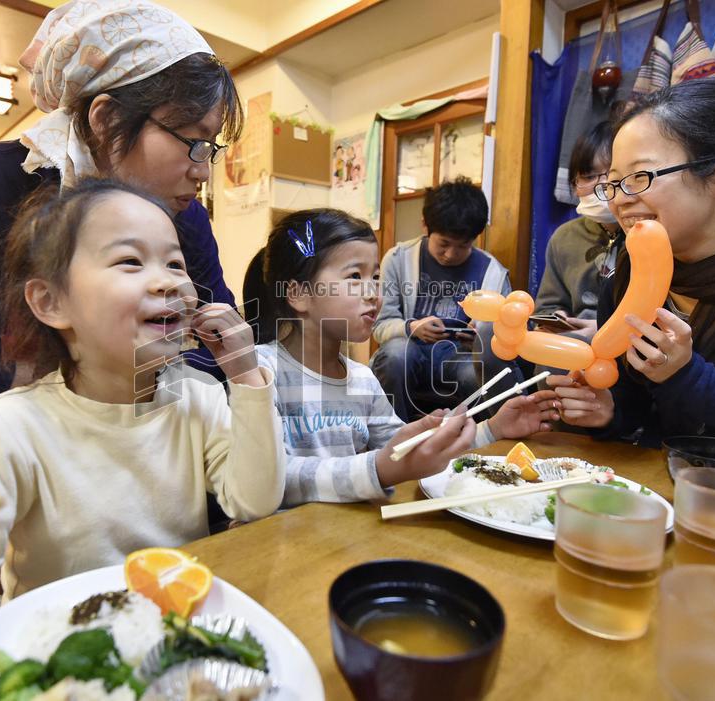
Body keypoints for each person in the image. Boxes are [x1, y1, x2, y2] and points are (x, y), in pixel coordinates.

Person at [0, 180, 285, 676]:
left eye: (175, 263)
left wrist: (247, 378)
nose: (170, 283)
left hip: (167, 641)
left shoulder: (198, 399)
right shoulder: (11, 424)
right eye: (130, 261)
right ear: (51, 302)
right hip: (52, 652)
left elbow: (254, 501)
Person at [0, 0, 242, 416]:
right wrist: (128, 374)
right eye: (193, 141)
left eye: (211, 148)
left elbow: (221, 350)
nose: (203, 171)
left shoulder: (183, 214)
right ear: (107, 120)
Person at [548, 78, 715, 468]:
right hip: (668, 489)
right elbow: (638, 413)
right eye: (614, 182)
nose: (619, 198)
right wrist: (607, 412)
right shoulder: (625, 281)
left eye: (641, 176)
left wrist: (688, 376)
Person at [248, 208, 559, 505]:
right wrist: (378, 469)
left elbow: (407, 453)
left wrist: (491, 429)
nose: (373, 293)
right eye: (355, 276)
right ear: (299, 294)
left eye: (375, 278)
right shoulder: (260, 372)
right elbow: (268, 480)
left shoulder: (362, 379)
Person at [371, 177, 515, 422]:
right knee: (394, 355)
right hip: (409, 347)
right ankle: (391, 439)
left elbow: (508, 336)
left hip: (460, 355)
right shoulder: (398, 259)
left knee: (477, 374)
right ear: (425, 226)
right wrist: (412, 328)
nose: (451, 254)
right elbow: (380, 325)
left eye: (463, 246)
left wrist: (480, 337)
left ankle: (479, 445)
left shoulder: (493, 272)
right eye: (444, 243)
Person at [534, 121, 623, 341]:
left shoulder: (646, 233)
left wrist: (603, 328)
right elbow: (547, 305)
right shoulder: (564, 238)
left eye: (611, 174)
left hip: (623, 341)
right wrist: (556, 318)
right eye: (589, 176)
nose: (601, 185)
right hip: (570, 340)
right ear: (574, 185)